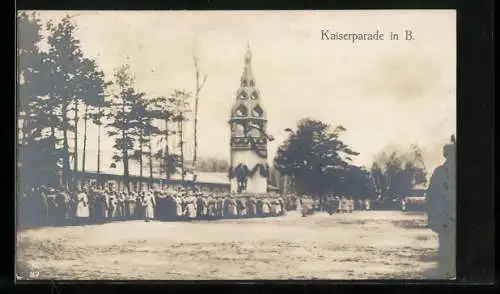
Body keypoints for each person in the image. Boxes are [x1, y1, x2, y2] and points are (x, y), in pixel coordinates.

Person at [426, 135, 456, 279]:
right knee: (445, 244)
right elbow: (431, 196)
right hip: (445, 215)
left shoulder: (439, 171)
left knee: (446, 244)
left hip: (446, 214)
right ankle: (447, 271)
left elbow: (430, 196)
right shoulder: (439, 172)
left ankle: (448, 270)